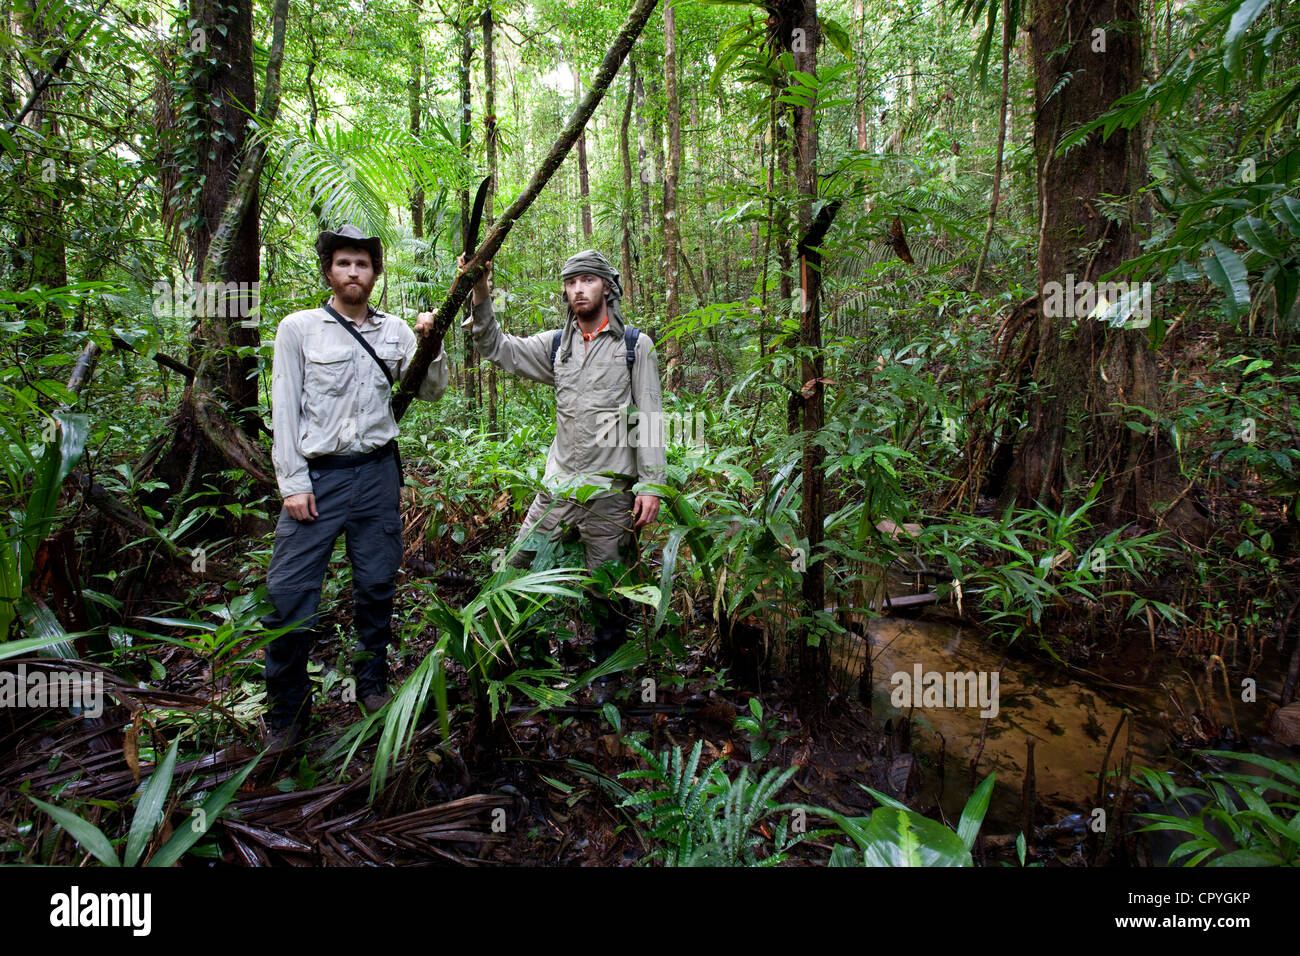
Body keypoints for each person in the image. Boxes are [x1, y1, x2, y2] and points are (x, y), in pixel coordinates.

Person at [418, 250, 665, 692]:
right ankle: (514, 661)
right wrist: (480, 289)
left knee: (607, 587)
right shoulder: (558, 346)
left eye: (587, 280)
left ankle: (608, 675)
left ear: (606, 286)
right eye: (570, 282)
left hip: (611, 492)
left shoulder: (634, 346)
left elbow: (649, 415)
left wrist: (650, 485)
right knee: (519, 567)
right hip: (559, 488)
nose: (577, 290)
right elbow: (497, 347)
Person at [262, 224, 449, 751]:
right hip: (318, 478)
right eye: (344, 263)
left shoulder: (395, 333)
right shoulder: (298, 328)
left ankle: (371, 685)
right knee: (290, 594)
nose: (353, 272)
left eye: (363, 265)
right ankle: (288, 713)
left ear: (375, 274)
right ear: (329, 270)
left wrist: (431, 343)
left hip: (377, 473)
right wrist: (292, 482)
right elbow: (284, 406)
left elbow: (433, 391)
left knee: (375, 585)